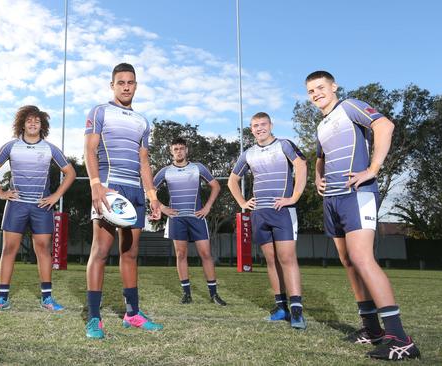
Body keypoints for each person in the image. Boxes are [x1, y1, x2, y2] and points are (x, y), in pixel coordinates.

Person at [306, 71, 419, 360]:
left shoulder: (349, 106)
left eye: (320, 87)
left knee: (362, 258)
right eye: (311, 91)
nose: (316, 93)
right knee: (347, 261)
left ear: (334, 87)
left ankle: (400, 338)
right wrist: (317, 177)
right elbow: (320, 157)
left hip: (358, 193)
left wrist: (373, 168)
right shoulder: (322, 125)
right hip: (331, 199)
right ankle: (372, 330)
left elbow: (385, 125)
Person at [84, 63, 163, 339]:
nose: (126, 87)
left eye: (130, 82)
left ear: (136, 85)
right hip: (109, 188)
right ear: (112, 85)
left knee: (130, 253)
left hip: (135, 192)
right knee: (101, 251)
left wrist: (152, 195)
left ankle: (132, 314)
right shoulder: (99, 111)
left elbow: (144, 160)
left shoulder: (143, 121)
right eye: (121, 82)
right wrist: (96, 186)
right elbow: (89, 150)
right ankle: (94, 318)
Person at [0, 105, 75, 312]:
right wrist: (0, 193)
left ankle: (47, 299)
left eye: (37, 121)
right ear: (22, 124)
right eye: (29, 120)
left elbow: (70, 173)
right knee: (9, 249)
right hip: (16, 205)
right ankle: (2, 298)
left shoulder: (50, 148)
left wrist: (56, 196)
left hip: (41, 206)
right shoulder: (11, 146)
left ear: (42, 125)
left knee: (43, 249)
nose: (33, 124)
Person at [227, 112, 307, 330]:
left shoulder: (284, 145)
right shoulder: (248, 154)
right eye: (255, 126)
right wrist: (243, 202)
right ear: (251, 129)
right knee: (271, 261)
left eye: (263, 124)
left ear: (271, 125)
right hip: (259, 214)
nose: (259, 128)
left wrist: (295, 197)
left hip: (282, 210)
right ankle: (281, 308)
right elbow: (233, 180)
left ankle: (297, 310)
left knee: (287, 258)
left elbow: (301, 166)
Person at [153, 137, 226, 306]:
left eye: (181, 148)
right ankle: (186, 294)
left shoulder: (198, 168)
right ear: (171, 151)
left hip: (197, 217)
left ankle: (214, 294)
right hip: (176, 218)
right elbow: (149, 190)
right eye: (175, 148)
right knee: (181, 254)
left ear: (187, 150)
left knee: (206, 254)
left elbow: (216, 186)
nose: (179, 151)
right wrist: (162, 208)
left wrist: (207, 207)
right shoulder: (165, 171)